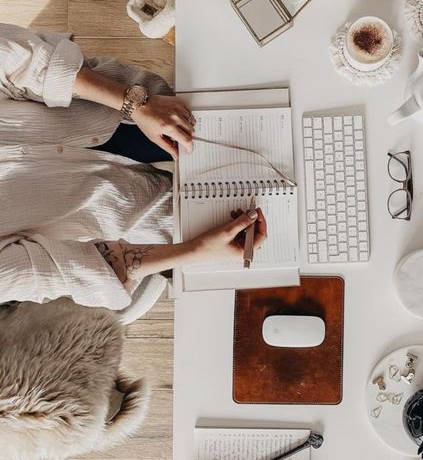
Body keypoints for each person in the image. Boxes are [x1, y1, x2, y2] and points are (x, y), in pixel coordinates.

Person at [0, 23, 267, 310]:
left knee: (266, 111)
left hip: (116, 112)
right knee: (276, 227)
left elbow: (22, 59)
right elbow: (76, 271)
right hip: (145, 219)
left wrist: (136, 105)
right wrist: (198, 249)